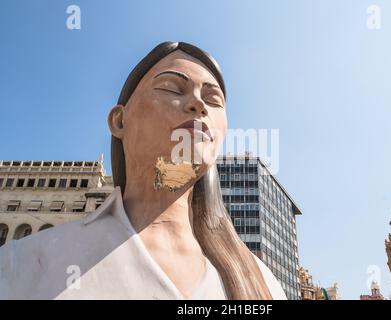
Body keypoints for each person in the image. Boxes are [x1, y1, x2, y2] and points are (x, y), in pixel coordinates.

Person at [0, 42, 287, 300]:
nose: (199, 104)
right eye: (172, 88)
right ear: (119, 120)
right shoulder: (19, 264)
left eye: (213, 101)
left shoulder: (266, 285)